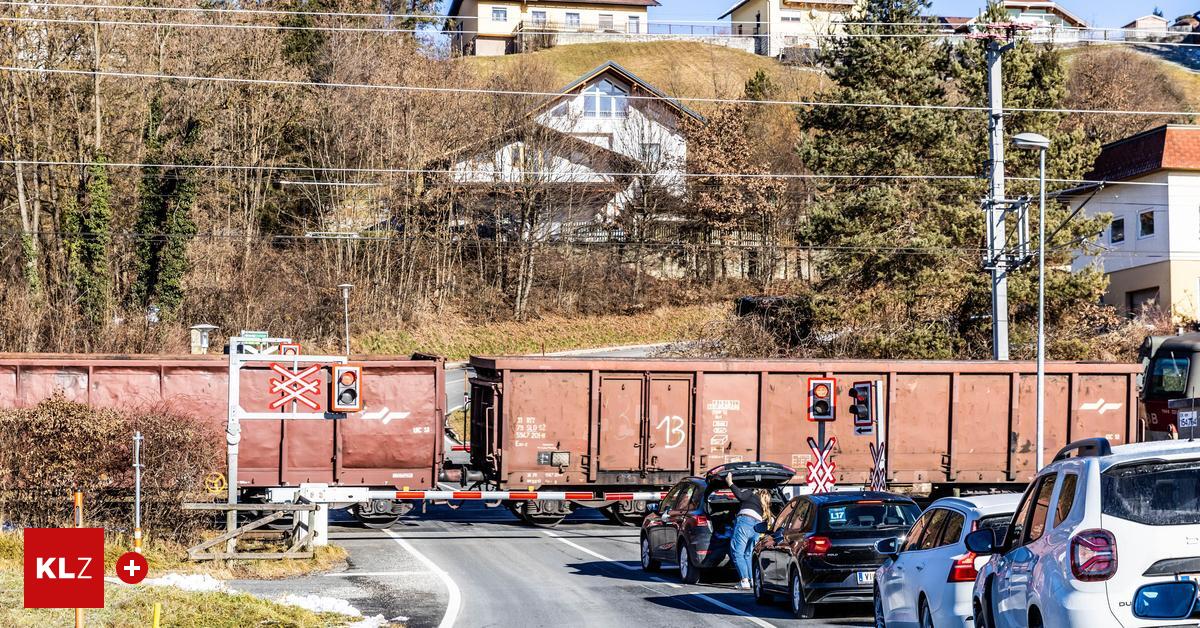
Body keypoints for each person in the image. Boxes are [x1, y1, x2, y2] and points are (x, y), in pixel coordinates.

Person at [726, 471, 773, 590]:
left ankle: (744, 580)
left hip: (745, 522)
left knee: (737, 552)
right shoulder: (762, 504)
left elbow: (740, 496)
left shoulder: (751, 494)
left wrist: (730, 482)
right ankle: (752, 580)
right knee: (748, 554)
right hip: (757, 527)